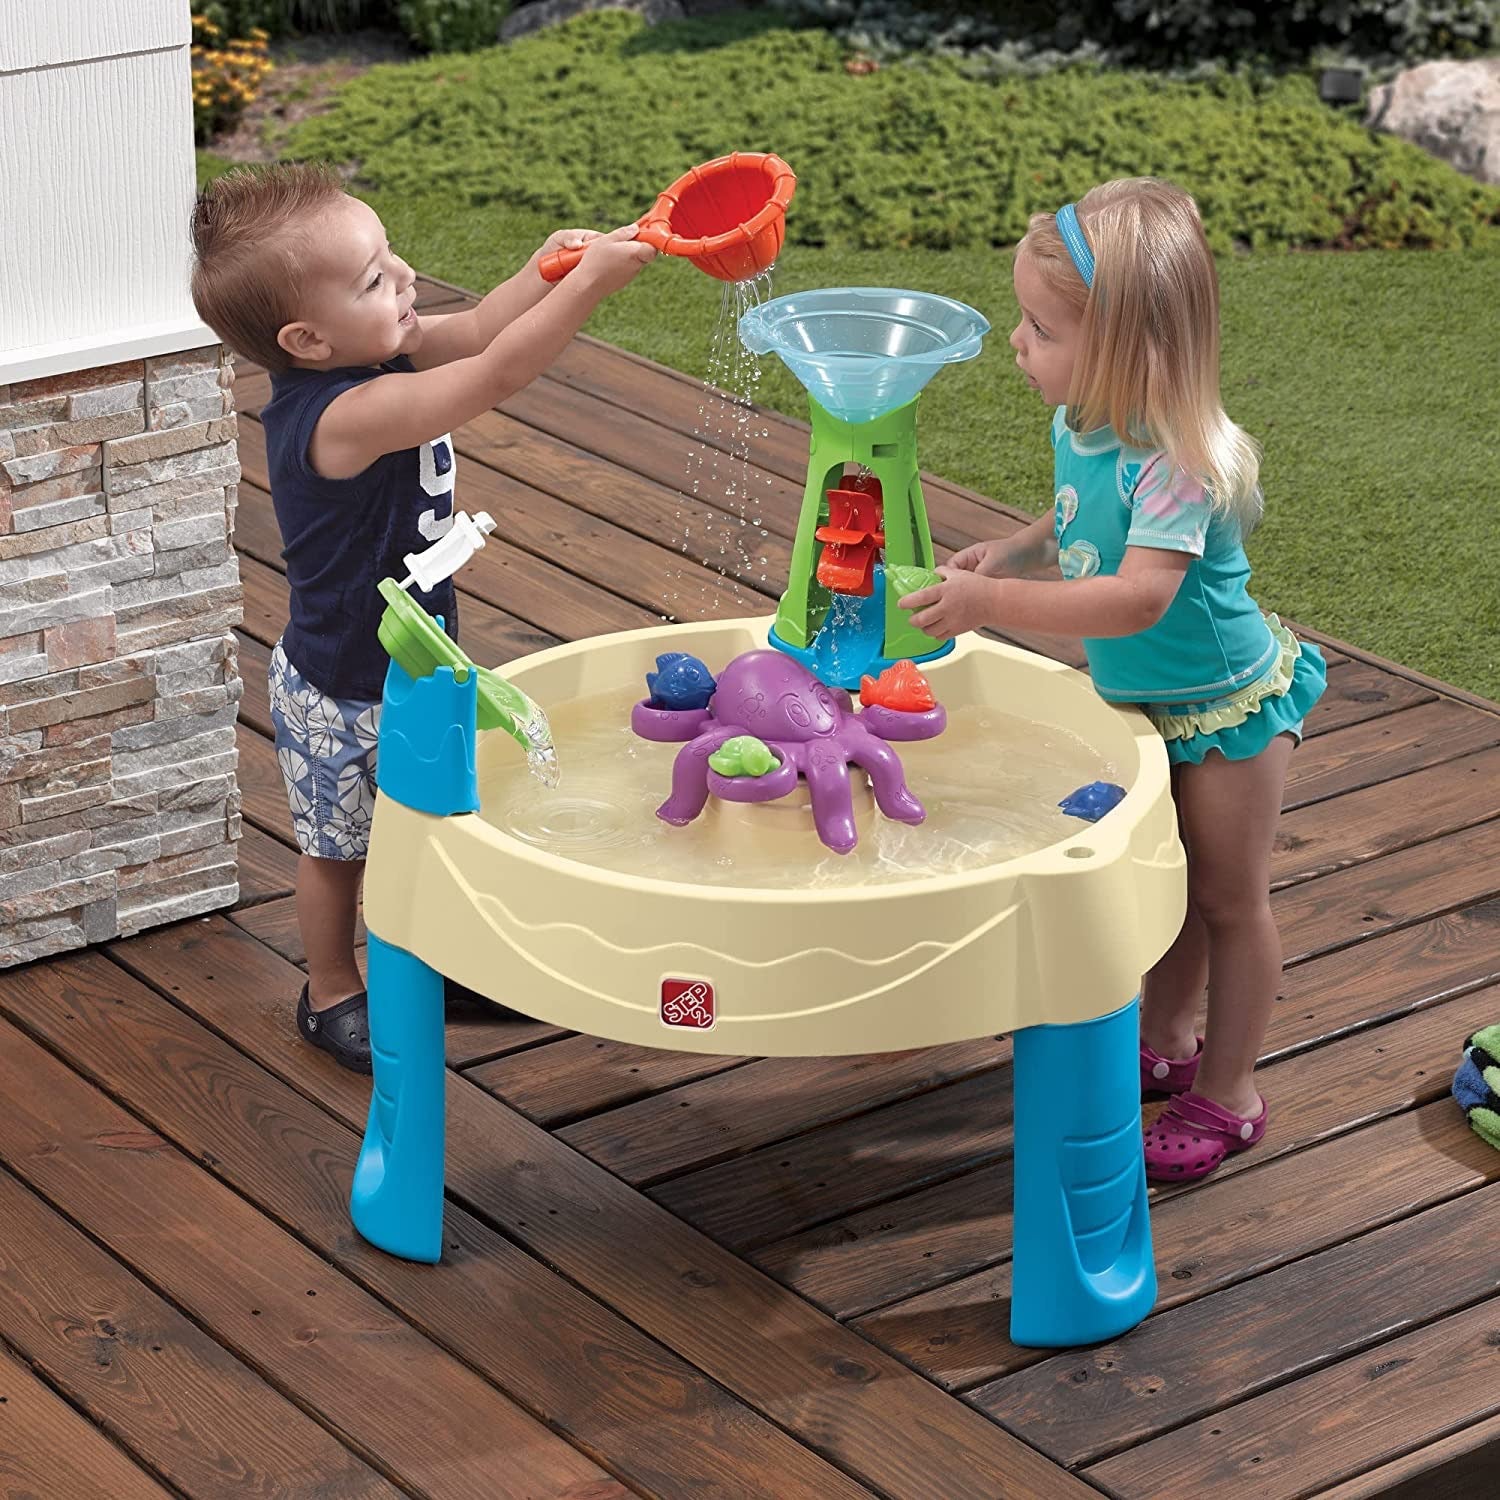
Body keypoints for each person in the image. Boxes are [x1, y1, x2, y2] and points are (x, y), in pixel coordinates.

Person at [899, 177, 1326, 1182]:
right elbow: (1074, 520)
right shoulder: (1083, 420)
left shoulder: (1178, 463)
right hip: (1147, 705)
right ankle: (1168, 1041)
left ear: (1129, 350)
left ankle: (1230, 1094)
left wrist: (993, 605)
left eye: (1043, 329)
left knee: (1229, 902)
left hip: (1224, 710)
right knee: (1171, 886)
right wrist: (1016, 551)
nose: (1017, 343)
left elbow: (1137, 597)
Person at [190, 163, 656, 1072]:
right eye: (375, 278)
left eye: (390, 255)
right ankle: (331, 990)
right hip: (341, 688)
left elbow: (481, 329)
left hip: (416, 660)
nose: (405, 277)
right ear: (307, 340)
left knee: (435, 819)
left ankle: (445, 961)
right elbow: (496, 372)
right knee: (339, 852)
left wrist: (544, 272)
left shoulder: (377, 353)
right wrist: (591, 288)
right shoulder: (341, 415)